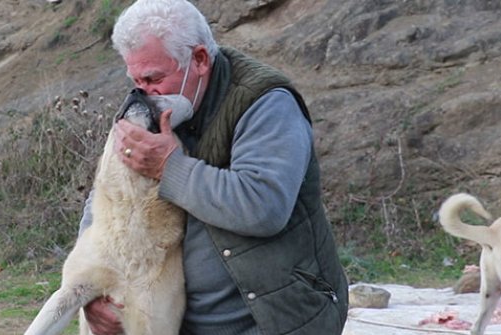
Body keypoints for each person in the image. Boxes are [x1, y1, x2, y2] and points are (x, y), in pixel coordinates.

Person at [77, 0, 349, 334]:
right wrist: (95, 291)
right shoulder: (152, 100)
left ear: (201, 60)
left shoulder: (265, 102)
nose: (145, 92)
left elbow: (263, 207)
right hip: (181, 322)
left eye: (154, 78)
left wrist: (169, 167)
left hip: (274, 318)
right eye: (136, 79)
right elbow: (106, 195)